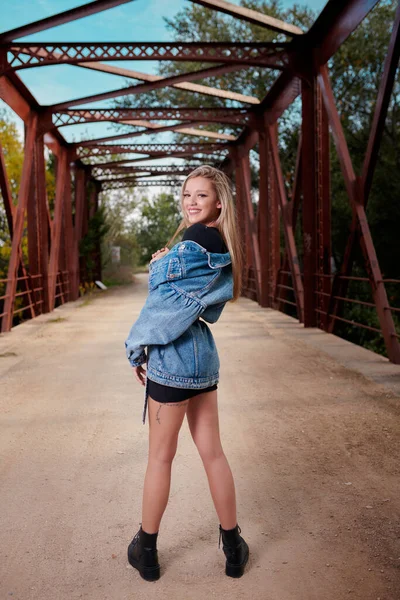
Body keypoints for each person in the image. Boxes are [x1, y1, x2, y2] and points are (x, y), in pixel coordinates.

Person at [124, 165, 249, 581]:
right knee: (212, 452)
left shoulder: (194, 240)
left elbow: (160, 302)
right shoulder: (219, 243)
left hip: (173, 360)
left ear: (218, 203)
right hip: (202, 356)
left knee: (161, 457)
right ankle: (233, 547)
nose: (192, 202)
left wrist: (136, 345)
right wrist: (167, 261)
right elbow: (199, 306)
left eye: (201, 196)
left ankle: (147, 550)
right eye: (187, 195)